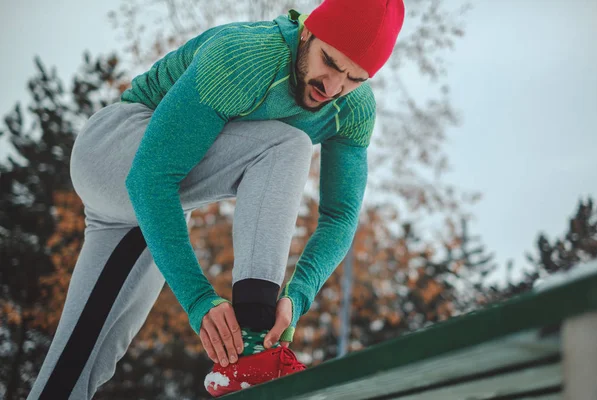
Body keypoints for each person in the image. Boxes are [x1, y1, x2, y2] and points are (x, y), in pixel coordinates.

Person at [27, 0, 405, 398]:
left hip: (157, 201)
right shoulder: (245, 54)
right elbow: (149, 176)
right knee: (287, 145)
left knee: (82, 364)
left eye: (353, 78)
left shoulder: (354, 109)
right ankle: (254, 348)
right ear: (308, 31)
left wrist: (298, 295)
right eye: (329, 61)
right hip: (118, 148)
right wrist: (199, 300)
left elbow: (341, 214)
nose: (333, 86)